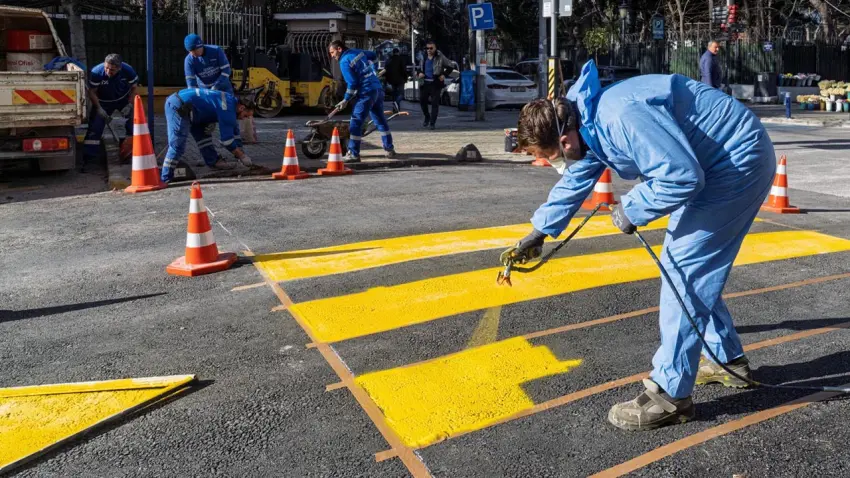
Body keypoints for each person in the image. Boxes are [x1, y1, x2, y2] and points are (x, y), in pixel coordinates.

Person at [504, 60, 776, 431]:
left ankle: (670, 395)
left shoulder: (620, 116)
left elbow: (681, 177)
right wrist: (539, 231)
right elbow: (579, 174)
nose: (553, 164)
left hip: (736, 163)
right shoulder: (582, 119)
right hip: (715, 164)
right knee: (686, 268)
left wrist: (631, 208)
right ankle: (727, 360)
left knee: (684, 271)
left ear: (564, 142)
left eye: (550, 157)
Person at [160, 88, 254, 183]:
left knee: (204, 137)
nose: (243, 119)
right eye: (245, 116)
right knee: (177, 146)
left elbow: (233, 129)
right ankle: (165, 178)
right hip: (179, 106)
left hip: (193, 109)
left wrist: (210, 119)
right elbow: (227, 141)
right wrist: (242, 156)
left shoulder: (230, 100)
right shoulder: (229, 110)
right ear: (241, 108)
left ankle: (214, 161)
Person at [328, 40, 396, 163]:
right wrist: (373, 70)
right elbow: (373, 55)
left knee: (356, 122)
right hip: (377, 88)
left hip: (366, 92)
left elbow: (352, 83)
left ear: (339, 49)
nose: (332, 56)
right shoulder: (357, 52)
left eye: (332, 52)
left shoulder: (344, 61)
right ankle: (389, 149)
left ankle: (353, 153)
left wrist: (345, 99)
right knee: (380, 120)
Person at [83, 54, 138, 163]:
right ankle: (90, 159)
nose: (108, 71)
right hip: (103, 102)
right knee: (95, 127)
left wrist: (130, 105)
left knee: (133, 125)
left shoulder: (128, 70)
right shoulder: (96, 72)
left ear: (119, 68)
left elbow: (134, 88)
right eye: (106, 68)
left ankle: (128, 154)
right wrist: (99, 108)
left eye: (112, 70)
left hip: (123, 100)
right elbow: (92, 92)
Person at [416, 40, 453, 130]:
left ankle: (432, 123)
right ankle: (427, 117)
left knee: (434, 103)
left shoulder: (440, 56)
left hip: (435, 83)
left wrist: (444, 75)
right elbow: (419, 68)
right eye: (427, 48)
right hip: (424, 83)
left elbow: (451, 66)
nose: (429, 50)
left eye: (431, 48)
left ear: (435, 48)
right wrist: (419, 73)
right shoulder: (423, 56)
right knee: (422, 101)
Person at [385, 48, 408, 113]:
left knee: (394, 94)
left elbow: (386, 70)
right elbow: (404, 70)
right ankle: (396, 102)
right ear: (398, 52)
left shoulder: (389, 60)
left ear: (393, 52)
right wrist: (406, 78)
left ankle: (396, 110)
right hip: (400, 79)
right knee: (401, 94)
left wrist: (387, 79)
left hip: (392, 80)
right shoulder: (401, 59)